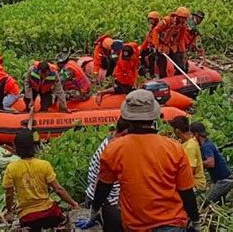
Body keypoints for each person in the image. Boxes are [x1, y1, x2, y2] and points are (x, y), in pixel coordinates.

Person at [76, 90, 201, 231]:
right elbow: (187, 192)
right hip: (172, 223)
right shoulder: (174, 148)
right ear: (154, 117)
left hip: (136, 226)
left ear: (127, 118)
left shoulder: (114, 149)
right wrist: (196, 222)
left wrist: (93, 214)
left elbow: (103, 188)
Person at [3, 129, 80, 232]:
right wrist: (73, 203)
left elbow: (9, 195)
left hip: (28, 217)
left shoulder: (11, 168)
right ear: (35, 146)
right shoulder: (44, 165)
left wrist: (9, 211)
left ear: (15, 147)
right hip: (50, 213)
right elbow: (58, 189)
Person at [85, 119, 130, 232]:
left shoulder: (111, 142)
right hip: (106, 200)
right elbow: (100, 182)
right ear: (124, 133)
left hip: (102, 198)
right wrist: (94, 211)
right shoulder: (110, 149)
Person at [190, 121, 233, 203]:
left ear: (196, 134)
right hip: (224, 180)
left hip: (224, 181)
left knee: (206, 201)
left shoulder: (206, 146)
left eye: (192, 135)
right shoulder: (207, 144)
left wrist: (199, 164)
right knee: (219, 202)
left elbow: (211, 163)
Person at [170, 116, 207, 191]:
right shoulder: (185, 143)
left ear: (177, 131)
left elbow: (190, 171)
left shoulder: (190, 147)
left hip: (195, 184)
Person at [153, 7, 190, 78]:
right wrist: (156, 44)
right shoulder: (167, 21)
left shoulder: (183, 25)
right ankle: (163, 79)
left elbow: (181, 39)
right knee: (162, 67)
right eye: (182, 18)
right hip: (162, 45)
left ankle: (178, 80)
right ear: (178, 16)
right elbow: (156, 30)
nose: (184, 20)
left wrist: (183, 52)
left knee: (180, 66)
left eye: (185, 18)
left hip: (173, 46)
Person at [140, 11, 161, 77]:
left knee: (151, 57)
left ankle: (152, 74)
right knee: (141, 54)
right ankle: (146, 69)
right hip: (152, 47)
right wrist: (141, 49)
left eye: (152, 20)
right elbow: (147, 39)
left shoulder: (159, 28)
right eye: (150, 20)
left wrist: (155, 46)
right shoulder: (151, 29)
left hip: (159, 47)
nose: (151, 21)